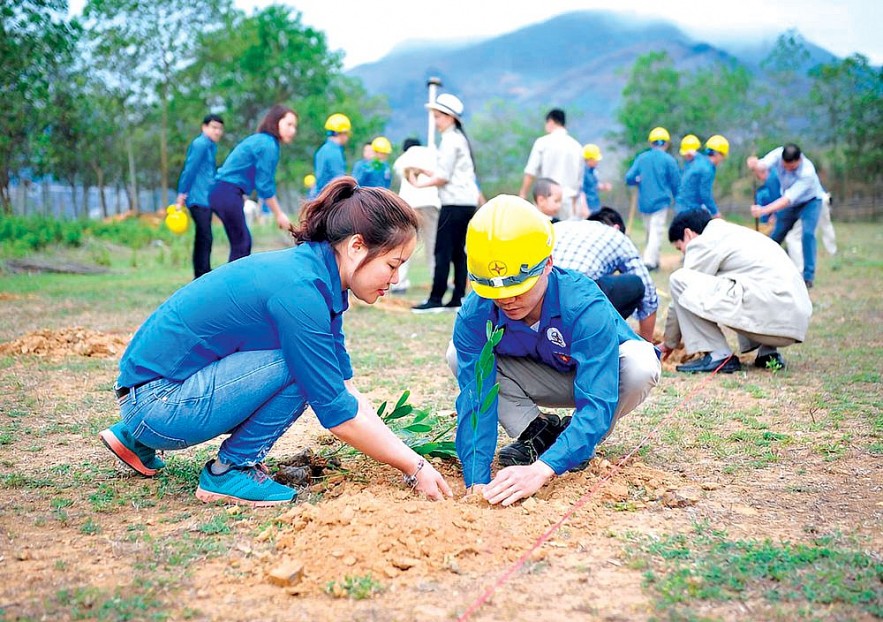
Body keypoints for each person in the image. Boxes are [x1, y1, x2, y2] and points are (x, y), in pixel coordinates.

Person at [98, 177, 453, 506]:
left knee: (312, 365)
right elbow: (335, 409)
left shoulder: (314, 276)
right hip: (158, 405)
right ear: (357, 246)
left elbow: (343, 386)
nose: (394, 278)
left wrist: (407, 455)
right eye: (393, 264)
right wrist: (414, 466)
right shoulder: (302, 292)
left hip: (145, 396)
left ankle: (135, 440)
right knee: (301, 367)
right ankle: (232, 470)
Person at [447, 195, 661, 505]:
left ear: (547, 264)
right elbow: (476, 399)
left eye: (518, 288)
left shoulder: (584, 305)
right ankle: (539, 432)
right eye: (494, 292)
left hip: (597, 378)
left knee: (641, 365)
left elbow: (597, 400)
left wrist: (542, 470)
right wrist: (477, 480)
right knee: (458, 354)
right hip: (541, 375)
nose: (506, 300)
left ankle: (573, 444)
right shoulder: (475, 314)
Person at [661, 209, 812, 374]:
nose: (683, 253)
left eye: (680, 248)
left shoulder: (704, 241)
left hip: (773, 317)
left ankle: (718, 354)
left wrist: (669, 343)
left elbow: (684, 292)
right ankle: (768, 353)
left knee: (679, 279)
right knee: (748, 279)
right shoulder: (740, 234)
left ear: (688, 234)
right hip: (795, 322)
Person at [408, 93, 479, 313]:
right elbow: (446, 172)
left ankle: (436, 298)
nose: (436, 121)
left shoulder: (450, 139)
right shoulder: (459, 138)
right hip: (466, 201)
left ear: (449, 117)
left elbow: (443, 177)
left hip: (454, 203)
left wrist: (417, 184)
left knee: (442, 251)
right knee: (459, 251)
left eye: (438, 116)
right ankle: (457, 296)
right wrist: (427, 173)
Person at [208, 105, 295, 266]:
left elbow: (244, 173)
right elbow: (264, 185)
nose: (293, 130)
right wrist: (279, 214)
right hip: (226, 191)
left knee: (241, 242)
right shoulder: (268, 144)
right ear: (276, 122)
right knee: (242, 243)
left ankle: (233, 286)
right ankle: (232, 287)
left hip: (223, 191)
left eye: (294, 126)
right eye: (289, 124)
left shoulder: (261, 140)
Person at [553, 217, 659, 341]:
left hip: (539, 302)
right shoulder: (617, 237)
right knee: (635, 284)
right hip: (578, 307)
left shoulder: (558, 226)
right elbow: (648, 293)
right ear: (617, 227)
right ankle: (599, 339)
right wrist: (646, 344)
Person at [748, 143, 826, 288]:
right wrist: (755, 164)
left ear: (800, 160)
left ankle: (808, 277)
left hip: (810, 201)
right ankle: (758, 269)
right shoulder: (778, 154)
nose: (787, 169)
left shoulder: (807, 173)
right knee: (776, 235)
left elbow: (787, 199)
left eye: (792, 168)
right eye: (785, 166)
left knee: (807, 234)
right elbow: (763, 165)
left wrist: (764, 210)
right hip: (790, 203)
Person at [176, 113, 224, 279]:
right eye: (214, 127)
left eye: (220, 129)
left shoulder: (210, 146)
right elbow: (190, 169)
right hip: (197, 198)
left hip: (206, 198)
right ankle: (202, 275)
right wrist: (182, 194)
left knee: (203, 237)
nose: (217, 132)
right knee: (205, 236)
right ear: (204, 127)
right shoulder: (200, 144)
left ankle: (202, 273)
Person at [625, 127, 680, 271]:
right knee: (655, 232)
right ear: (666, 144)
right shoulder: (669, 160)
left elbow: (629, 178)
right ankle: (649, 262)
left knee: (650, 232)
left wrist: (637, 180)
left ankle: (654, 261)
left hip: (644, 203)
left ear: (651, 143)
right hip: (661, 202)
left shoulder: (642, 158)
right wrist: (677, 200)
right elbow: (676, 183)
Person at [392, 137, 441, 294]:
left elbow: (400, 172)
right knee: (433, 245)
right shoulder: (431, 155)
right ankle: (437, 280)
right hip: (430, 203)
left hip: (409, 205)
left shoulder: (402, 159)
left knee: (404, 243)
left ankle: (400, 283)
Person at [518, 109, 585, 221]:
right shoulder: (577, 146)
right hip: (569, 201)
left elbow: (530, 172)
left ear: (550, 121)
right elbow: (579, 182)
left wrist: (523, 194)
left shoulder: (543, 142)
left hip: (547, 199)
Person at [674, 135, 729, 217]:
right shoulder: (707, 170)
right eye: (723, 156)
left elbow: (697, 155)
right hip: (690, 210)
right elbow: (705, 194)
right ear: (718, 154)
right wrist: (715, 212)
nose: (722, 159)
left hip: (680, 207)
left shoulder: (699, 161)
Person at [314, 113, 352, 195]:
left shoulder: (322, 150)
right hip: (329, 198)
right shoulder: (334, 153)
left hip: (319, 195)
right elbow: (340, 180)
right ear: (342, 133)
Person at [579, 143, 612, 215]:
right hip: (587, 207)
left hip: (595, 206)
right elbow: (580, 191)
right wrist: (584, 208)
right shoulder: (582, 172)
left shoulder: (593, 171)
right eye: (595, 159)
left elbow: (594, 185)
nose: (597, 161)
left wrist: (604, 187)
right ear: (589, 159)